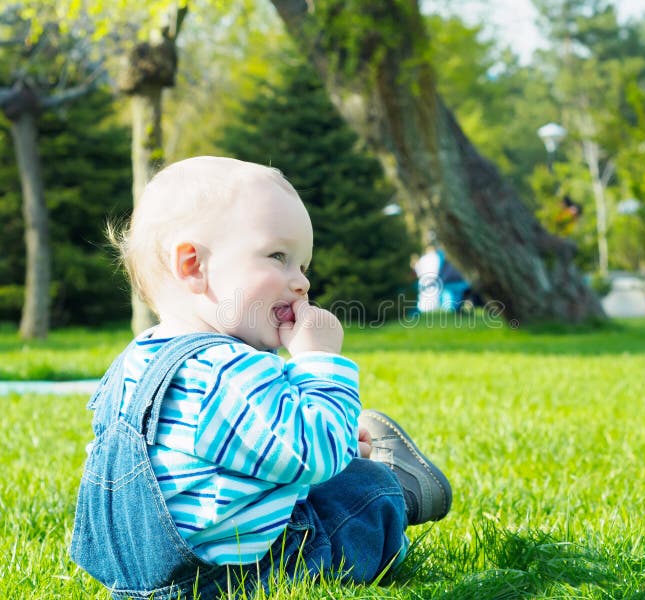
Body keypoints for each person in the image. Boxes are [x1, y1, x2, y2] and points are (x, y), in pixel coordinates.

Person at [69, 156, 452, 600]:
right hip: (242, 578)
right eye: (278, 257)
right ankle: (401, 490)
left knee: (324, 466)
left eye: (303, 266)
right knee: (366, 489)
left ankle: (351, 448)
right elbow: (313, 456)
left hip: (140, 584)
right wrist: (318, 358)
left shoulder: (132, 363)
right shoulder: (227, 369)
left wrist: (334, 441)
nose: (301, 284)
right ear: (193, 265)